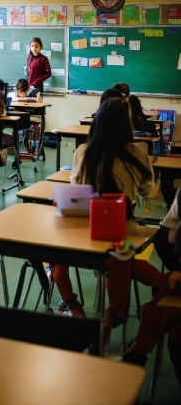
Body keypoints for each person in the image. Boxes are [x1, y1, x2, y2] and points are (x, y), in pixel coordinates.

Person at [61, 99, 174, 333]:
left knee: (57, 259)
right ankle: (115, 311)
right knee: (123, 258)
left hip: (84, 229)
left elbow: (75, 189)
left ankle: (73, 305)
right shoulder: (138, 152)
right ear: (127, 124)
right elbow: (148, 191)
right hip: (121, 231)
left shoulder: (84, 151)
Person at [122, 189, 181, 377]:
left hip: (163, 241)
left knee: (161, 305)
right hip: (171, 247)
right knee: (166, 297)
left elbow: (173, 238)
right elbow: (149, 189)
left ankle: (138, 350)